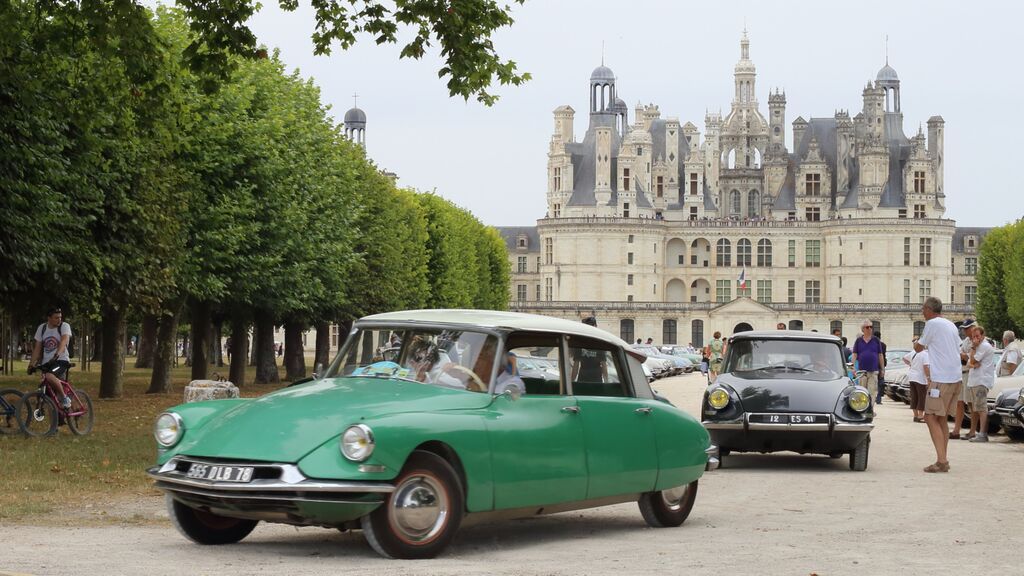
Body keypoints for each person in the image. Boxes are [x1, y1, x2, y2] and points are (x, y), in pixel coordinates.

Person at [914, 296, 963, 473]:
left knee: (929, 417)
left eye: (923, 309)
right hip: (955, 377)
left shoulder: (932, 324)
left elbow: (918, 348)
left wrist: (916, 343)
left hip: (941, 377)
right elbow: (959, 348)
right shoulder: (950, 324)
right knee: (941, 418)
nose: (922, 312)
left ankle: (942, 461)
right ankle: (943, 457)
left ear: (929, 309)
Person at [29, 307, 73, 409]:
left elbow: (64, 341)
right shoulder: (42, 328)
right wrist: (31, 364)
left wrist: (56, 355)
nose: (59, 320)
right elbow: (37, 348)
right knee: (43, 386)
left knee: (49, 376)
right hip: (47, 363)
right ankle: (56, 415)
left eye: (60, 317)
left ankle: (65, 398)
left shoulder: (64, 326)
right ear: (49, 318)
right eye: (56, 318)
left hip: (61, 360)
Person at [963, 326, 995, 442]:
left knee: (981, 408)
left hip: (981, 381)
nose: (975, 339)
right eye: (973, 337)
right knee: (976, 408)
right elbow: (969, 364)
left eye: (977, 336)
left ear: (983, 335)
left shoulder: (984, 346)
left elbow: (972, 361)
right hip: (974, 381)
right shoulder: (979, 347)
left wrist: (973, 348)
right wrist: (972, 363)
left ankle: (983, 434)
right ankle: (978, 433)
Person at [951, 319, 977, 439]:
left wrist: (963, 355)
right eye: (964, 329)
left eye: (967, 328)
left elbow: (974, 359)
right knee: (959, 402)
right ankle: (956, 430)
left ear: (973, 328)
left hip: (970, 373)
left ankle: (972, 431)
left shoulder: (978, 341)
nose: (965, 331)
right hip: (962, 373)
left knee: (971, 403)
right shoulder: (966, 341)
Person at [851, 321, 884, 405]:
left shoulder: (876, 340)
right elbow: (854, 355)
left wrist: (882, 369)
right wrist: (852, 368)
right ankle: (863, 408)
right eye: (867, 327)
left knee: (872, 392)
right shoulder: (858, 341)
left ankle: (870, 409)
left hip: (873, 371)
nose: (870, 328)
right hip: (862, 372)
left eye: (871, 327)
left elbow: (880, 355)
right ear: (863, 329)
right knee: (862, 392)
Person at [904, 341, 929, 423]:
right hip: (920, 378)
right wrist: (928, 377)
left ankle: (915, 415)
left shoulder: (913, 352)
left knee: (914, 397)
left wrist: (910, 364)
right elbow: (925, 367)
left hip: (912, 377)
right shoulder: (925, 354)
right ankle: (921, 415)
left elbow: (904, 358)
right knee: (921, 397)